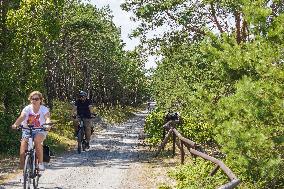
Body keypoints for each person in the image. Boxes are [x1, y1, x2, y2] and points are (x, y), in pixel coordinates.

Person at [11, 91, 51, 171]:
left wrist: (47, 125)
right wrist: (15, 124)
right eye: (32, 99)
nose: (34, 101)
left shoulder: (44, 109)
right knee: (23, 147)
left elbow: (47, 118)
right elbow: (22, 117)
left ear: (40, 100)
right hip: (27, 130)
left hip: (40, 130)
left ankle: (40, 164)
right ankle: (23, 169)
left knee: (37, 141)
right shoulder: (27, 108)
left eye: (36, 99)